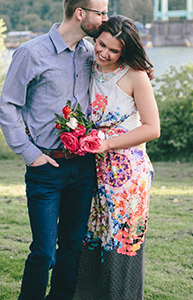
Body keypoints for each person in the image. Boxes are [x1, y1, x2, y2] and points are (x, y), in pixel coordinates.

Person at [0, 0, 109, 300]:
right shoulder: (31, 53)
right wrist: (30, 153)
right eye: (100, 12)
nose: (105, 18)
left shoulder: (92, 53)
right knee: (44, 253)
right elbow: (8, 106)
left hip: (84, 167)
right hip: (46, 166)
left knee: (72, 248)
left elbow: (120, 72)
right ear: (79, 13)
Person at [73, 15, 161, 300]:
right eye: (101, 44)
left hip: (126, 175)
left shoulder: (135, 76)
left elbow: (152, 128)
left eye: (113, 50)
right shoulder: (87, 65)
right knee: (90, 237)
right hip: (91, 168)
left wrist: (107, 143)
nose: (104, 53)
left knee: (121, 241)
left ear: (125, 52)